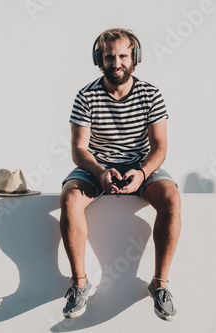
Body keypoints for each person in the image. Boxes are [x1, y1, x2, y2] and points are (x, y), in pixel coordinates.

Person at [59, 28, 181, 321]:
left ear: (134, 58)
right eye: (109, 57)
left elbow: (160, 147)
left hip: (141, 165)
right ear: (98, 59)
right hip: (97, 166)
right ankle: (79, 284)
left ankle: (160, 285)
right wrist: (100, 172)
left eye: (123, 56)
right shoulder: (85, 96)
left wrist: (141, 173)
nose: (116, 63)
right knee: (70, 197)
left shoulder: (151, 94)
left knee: (171, 198)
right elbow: (79, 150)